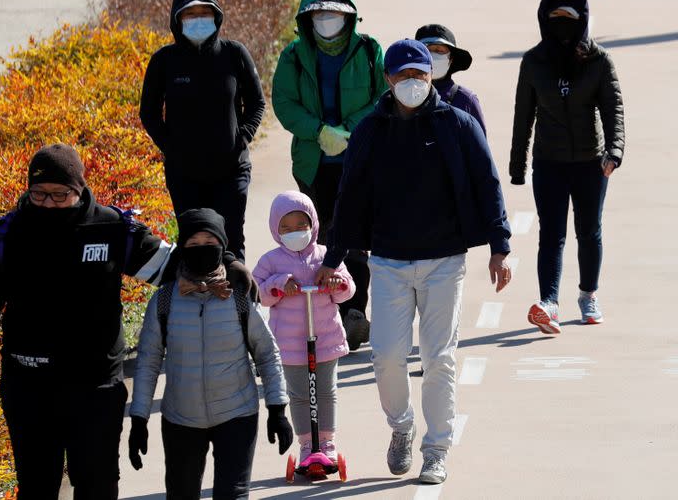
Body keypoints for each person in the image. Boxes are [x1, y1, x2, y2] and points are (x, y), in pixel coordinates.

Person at [0, 144, 254, 500]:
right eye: (39, 194)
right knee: (36, 487)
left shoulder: (111, 229)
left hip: (95, 389)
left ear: (79, 190)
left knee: (97, 486)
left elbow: (174, 262)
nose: (48, 203)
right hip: (29, 387)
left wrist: (226, 261)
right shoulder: (8, 235)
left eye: (60, 195)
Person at [316, 39, 512, 484]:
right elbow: (349, 198)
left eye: (419, 75)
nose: (412, 83)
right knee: (386, 356)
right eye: (403, 76)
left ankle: (436, 449)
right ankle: (401, 426)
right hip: (388, 261)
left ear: (431, 77)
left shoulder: (458, 125)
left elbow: (488, 183)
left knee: (440, 357)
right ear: (388, 79)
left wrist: (500, 246)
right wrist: (334, 256)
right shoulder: (370, 131)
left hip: (445, 261)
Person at [128, 208, 292, 499]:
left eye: (209, 242)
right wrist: (139, 418)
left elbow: (267, 353)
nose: (201, 249)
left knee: (233, 494)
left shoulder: (240, 296)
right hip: (181, 418)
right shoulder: (164, 300)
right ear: (182, 250)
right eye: (192, 244)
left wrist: (277, 409)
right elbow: (148, 363)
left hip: (237, 414)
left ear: (222, 247)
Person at [272, 0, 386, 352]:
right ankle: (324, 314)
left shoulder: (369, 52)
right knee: (318, 240)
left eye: (335, 12)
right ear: (307, 18)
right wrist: (319, 130)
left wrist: (351, 130)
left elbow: (382, 96)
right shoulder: (292, 56)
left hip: (358, 161)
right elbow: (284, 103)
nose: (327, 18)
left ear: (349, 16)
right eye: (319, 12)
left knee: (354, 237)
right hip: (313, 163)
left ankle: (355, 312)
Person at [510, 0, 625, 333]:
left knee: (589, 231)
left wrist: (614, 150)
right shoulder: (533, 62)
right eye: (555, 16)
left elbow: (613, 107)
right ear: (544, 19)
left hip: (592, 163)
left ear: (582, 19)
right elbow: (523, 114)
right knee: (552, 234)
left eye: (569, 17)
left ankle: (588, 295)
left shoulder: (598, 61)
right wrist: (518, 164)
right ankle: (549, 303)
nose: (562, 23)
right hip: (550, 163)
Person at [139, 0, 266, 262]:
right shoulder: (164, 61)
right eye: (190, 14)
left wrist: (241, 137)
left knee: (231, 239)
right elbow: (148, 113)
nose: (198, 20)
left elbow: (257, 103)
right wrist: (171, 147)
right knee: (194, 242)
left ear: (216, 16)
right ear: (177, 20)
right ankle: (194, 301)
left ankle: (238, 302)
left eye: (204, 13)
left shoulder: (234, 54)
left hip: (231, 170)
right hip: (184, 174)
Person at [253, 190, 354, 464]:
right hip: (289, 343)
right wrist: (279, 284)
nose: (294, 232)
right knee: (299, 395)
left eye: (301, 226)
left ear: (313, 225)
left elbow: (348, 290)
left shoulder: (326, 256)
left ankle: (328, 441)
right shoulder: (270, 261)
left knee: (326, 391)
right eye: (285, 227)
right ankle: (308, 444)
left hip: (326, 338)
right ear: (276, 229)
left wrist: (337, 283)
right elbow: (258, 293)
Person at [415, 23, 487, 134]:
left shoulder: (466, 100)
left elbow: (479, 148)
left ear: (451, 59)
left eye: (439, 51)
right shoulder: (404, 94)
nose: (433, 56)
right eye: (428, 50)